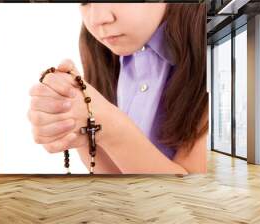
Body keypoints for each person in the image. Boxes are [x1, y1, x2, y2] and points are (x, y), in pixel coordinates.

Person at [28, 3, 208, 174]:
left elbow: (191, 197)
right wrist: (76, 122)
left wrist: (108, 124)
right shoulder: (104, 54)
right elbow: (119, 178)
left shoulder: (214, 56)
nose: (97, 18)